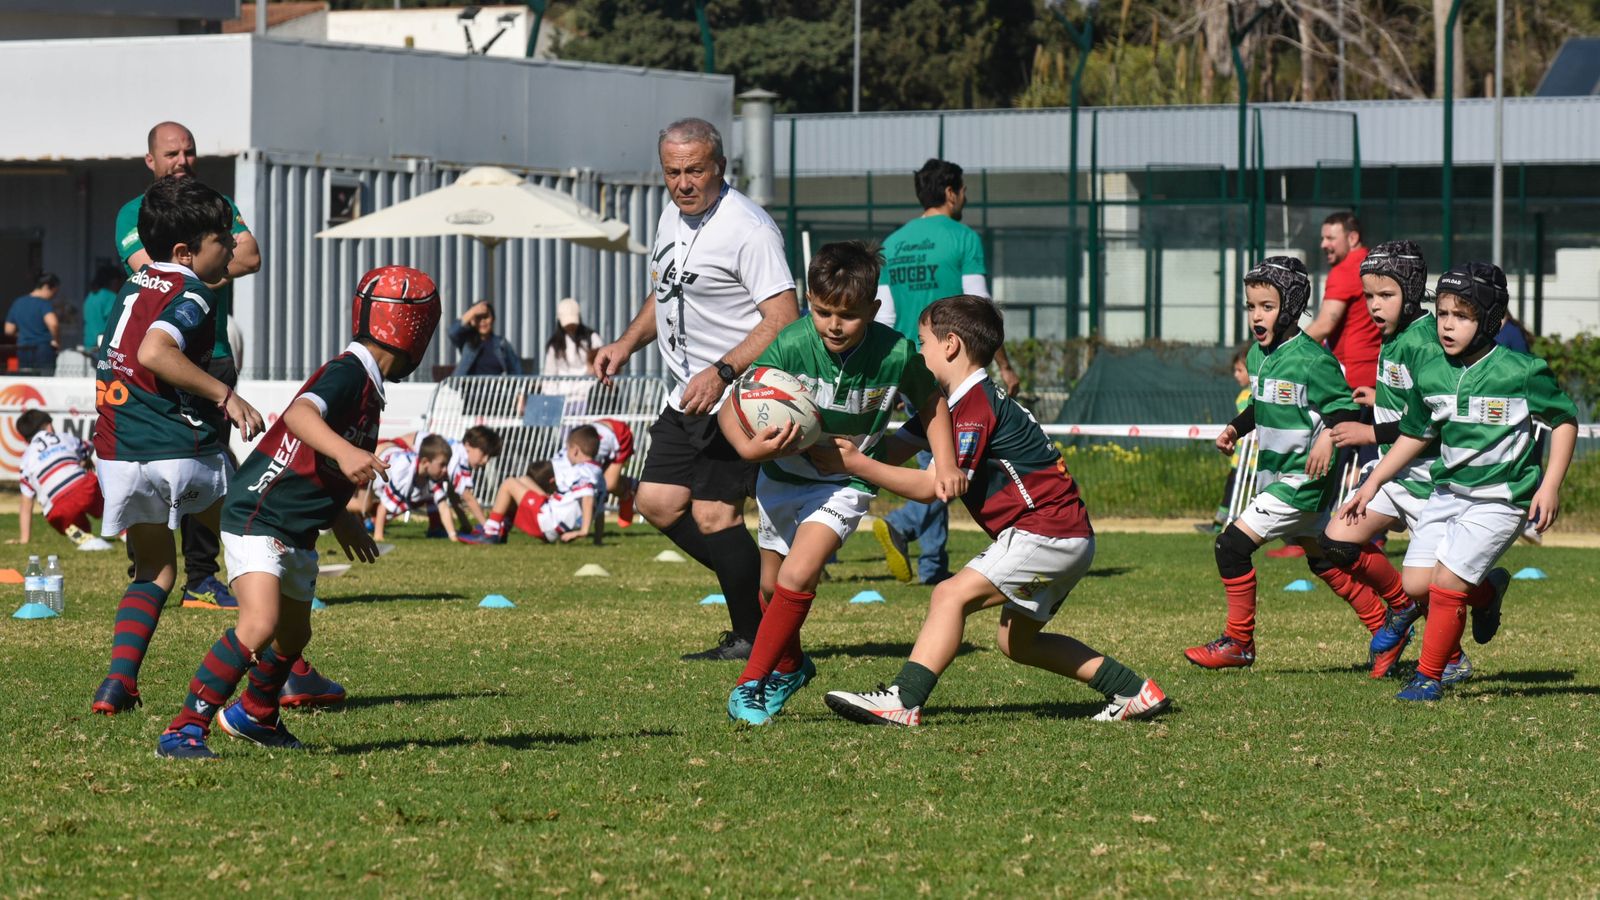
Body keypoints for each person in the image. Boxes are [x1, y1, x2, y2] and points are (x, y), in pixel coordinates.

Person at [821, 295, 1170, 726]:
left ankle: (903, 700)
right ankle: (1135, 691)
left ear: (950, 345)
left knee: (949, 595)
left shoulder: (973, 407)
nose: (917, 352)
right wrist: (828, 441)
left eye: (921, 342)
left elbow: (936, 487)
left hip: (1046, 532)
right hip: (1065, 535)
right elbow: (890, 449)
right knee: (1017, 643)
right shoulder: (948, 404)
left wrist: (857, 465)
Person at [156, 265, 440, 758]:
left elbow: (315, 462)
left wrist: (341, 516)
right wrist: (350, 456)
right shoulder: (348, 372)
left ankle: (257, 714)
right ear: (415, 331)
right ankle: (183, 729)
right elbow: (300, 417)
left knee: (294, 633)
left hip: (296, 525)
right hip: (257, 513)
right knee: (260, 624)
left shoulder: (368, 384)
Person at [716, 240, 963, 726]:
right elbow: (734, 404)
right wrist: (749, 450)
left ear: (872, 308)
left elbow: (932, 403)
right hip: (782, 477)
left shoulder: (894, 353)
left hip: (846, 481)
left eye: (848, 315)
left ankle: (750, 684)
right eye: (824, 311)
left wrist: (947, 461)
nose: (834, 324)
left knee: (797, 575)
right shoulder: (791, 344)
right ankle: (791, 667)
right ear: (810, 301)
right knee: (770, 589)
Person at [591, 117, 799, 662]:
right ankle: (759, 591)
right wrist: (624, 343)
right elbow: (663, 298)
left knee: (714, 515)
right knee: (656, 503)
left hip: (737, 395)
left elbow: (784, 318)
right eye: (673, 172)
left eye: (695, 171)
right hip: (687, 393)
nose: (683, 183)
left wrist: (724, 371)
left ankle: (754, 636)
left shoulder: (749, 228)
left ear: (720, 167)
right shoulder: (671, 216)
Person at [1341, 263, 1579, 702]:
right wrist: (1372, 482)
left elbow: (1564, 421)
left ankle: (1430, 676)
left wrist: (1550, 485)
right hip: (1446, 493)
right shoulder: (1432, 372)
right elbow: (1414, 434)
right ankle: (1487, 594)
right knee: (1414, 585)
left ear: (1491, 320)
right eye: (1443, 314)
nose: (1448, 324)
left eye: (1463, 316)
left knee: (1448, 585)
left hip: (1500, 500)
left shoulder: (1521, 371)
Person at [88, 176, 267, 715]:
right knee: (256, 548)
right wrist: (225, 395)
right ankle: (289, 676)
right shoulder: (192, 291)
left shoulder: (136, 283)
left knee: (155, 570)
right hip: (178, 449)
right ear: (186, 251)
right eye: (222, 239)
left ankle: (118, 683)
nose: (234, 245)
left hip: (121, 451)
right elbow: (155, 350)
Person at [1182, 257, 1405, 674]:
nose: (1256, 315)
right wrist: (1235, 428)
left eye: (1266, 306)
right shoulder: (1257, 356)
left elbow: (1346, 413)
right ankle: (1387, 627)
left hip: (1304, 479)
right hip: (1275, 475)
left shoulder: (1311, 359)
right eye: (1251, 307)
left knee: (1230, 546)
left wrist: (1326, 436)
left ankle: (1239, 642)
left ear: (1290, 305)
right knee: (1324, 559)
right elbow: (1261, 406)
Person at [116, 121, 261, 611]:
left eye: (190, 152)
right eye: (172, 153)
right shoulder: (132, 216)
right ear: (151, 161)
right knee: (215, 487)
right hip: (158, 362)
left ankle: (202, 577)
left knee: (205, 469)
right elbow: (159, 276)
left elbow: (251, 257)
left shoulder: (213, 204)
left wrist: (205, 266)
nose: (182, 160)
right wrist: (204, 270)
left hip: (211, 356)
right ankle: (266, 587)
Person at [1321, 241, 1470, 682]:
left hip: (1428, 479)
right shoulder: (1394, 337)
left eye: (1385, 295)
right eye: (1368, 296)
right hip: (1391, 474)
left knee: (1438, 586)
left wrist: (1370, 430)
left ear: (1409, 290)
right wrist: (1376, 398)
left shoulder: (1425, 343)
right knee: (1335, 543)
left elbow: (1428, 423)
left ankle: (1456, 656)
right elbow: (1406, 402)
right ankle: (1402, 610)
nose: (1374, 306)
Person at [871, 159, 1020, 588]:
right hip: (954, 363)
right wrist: (1004, 366)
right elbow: (981, 308)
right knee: (954, 463)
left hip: (908, 361)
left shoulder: (894, 242)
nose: (965, 198)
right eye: (964, 190)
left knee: (931, 454)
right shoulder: (963, 238)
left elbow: (887, 314)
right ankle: (903, 522)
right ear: (951, 192)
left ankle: (933, 567)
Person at [9, 410, 113, 551]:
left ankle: (83, 537)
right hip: (83, 488)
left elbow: (26, 504)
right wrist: (85, 460)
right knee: (110, 505)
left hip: (57, 508)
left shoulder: (26, 460)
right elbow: (90, 447)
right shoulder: (63, 437)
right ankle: (124, 531)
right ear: (49, 426)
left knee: (64, 515)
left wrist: (24, 539)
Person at [479, 429, 604, 544]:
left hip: (549, 523)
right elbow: (600, 510)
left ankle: (491, 531)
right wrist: (598, 540)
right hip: (559, 525)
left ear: (575, 450)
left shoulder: (583, 471)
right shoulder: (599, 475)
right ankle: (503, 528)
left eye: (568, 450)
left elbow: (588, 497)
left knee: (509, 483)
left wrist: (584, 530)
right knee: (524, 480)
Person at [363, 440, 452, 542]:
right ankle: (371, 522)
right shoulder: (403, 471)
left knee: (422, 498)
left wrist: (453, 535)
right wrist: (378, 536)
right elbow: (383, 506)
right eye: (442, 465)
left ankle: (435, 528)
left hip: (391, 451)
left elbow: (443, 505)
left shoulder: (429, 471)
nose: (445, 470)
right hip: (380, 455)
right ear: (425, 462)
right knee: (367, 506)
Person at [5, 273, 61, 372]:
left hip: (23, 349)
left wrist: (23, 335)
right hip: (43, 349)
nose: (53, 296)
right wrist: (55, 340)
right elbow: (53, 323)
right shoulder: (44, 304)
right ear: (46, 287)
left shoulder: (18, 302)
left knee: (28, 381)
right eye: (53, 292)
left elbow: (8, 330)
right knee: (44, 383)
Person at [450, 300, 522, 376]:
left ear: (493, 319)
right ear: (473, 321)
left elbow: (516, 370)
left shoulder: (502, 343)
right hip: (469, 387)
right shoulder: (467, 342)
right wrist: (473, 311)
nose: (483, 321)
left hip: (495, 387)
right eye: (478, 318)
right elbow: (452, 332)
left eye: (486, 317)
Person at [544, 297, 603, 378]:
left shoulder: (592, 339)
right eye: (568, 325)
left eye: (573, 324)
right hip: (563, 389)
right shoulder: (555, 345)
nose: (571, 327)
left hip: (588, 387)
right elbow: (550, 373)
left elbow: (601, 364)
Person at [82, 264, 123, 354]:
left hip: (88, 344)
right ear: (114, 281)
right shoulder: (111, 297)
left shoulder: (91, 295)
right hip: (104, 347)